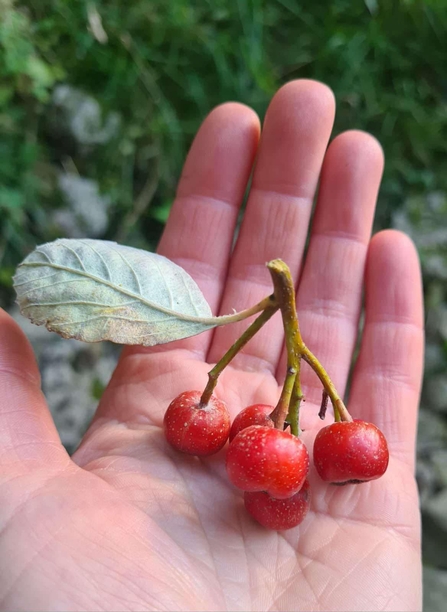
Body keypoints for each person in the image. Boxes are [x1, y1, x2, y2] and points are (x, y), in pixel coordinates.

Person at [0, 79, 423, 611]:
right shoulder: (267, 454)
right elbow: (270, 471)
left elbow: (272, 470)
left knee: (260, 441)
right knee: (251, 436)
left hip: (276, 470)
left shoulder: (268, 454)